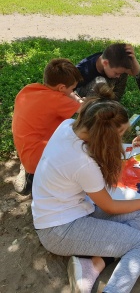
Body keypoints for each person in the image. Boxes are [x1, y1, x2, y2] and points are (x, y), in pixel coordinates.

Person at [31, 91, 140, 293]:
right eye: (119, 135)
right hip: (58, 230)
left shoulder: (67, 126)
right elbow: (109, 206)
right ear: (106, 135)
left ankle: (93, 264)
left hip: (72, 209)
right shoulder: (83, 162)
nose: (121, 140)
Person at [12, 58, 84, 195]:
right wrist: (80, 100)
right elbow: (86, 109)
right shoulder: (58, 99)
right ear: (61, 88)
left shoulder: (29, 89)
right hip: (39, 160)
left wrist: (72, 96)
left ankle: (31, 176)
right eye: (72, 89)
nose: (73, 92)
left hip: (25, 152)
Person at [75, 43, 140, 100]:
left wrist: (133, 58)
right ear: (105, 63)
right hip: (86, 96)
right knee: (100, 82)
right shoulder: (83, 69)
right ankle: (94, 107)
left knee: (123, 72)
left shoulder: (114, 63)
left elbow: (138, 74)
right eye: (116, 73)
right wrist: (81, 102)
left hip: (108, 94)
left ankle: (112, 102)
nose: (118, 77)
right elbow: (67, 90)